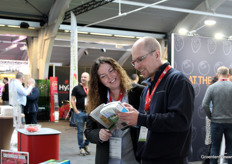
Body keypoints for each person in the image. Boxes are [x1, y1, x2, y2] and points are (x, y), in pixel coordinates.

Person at [118, 37, 195, 164]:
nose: (137, 66)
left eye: (140, 59)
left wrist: (140, 118)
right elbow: (149, 120)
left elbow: (180, 121)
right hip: (147, 157)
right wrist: (135, 115)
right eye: (134, 62)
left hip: (170, 160)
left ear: (157, 54)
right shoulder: (147, 88)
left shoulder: (177, 80)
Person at [84, 56, 144, 164]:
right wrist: (99, 134)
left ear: (118, 70)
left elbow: (150, 120)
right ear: (99, 81)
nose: (110, 77)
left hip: (134, 158)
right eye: (103, 76)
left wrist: (137, 119)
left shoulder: (139, 92)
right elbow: (88, 131)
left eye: (111, 71)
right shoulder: (97, 100)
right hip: (107, 160)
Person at [202, 66, 232, 164]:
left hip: (216, 122)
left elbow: (204, 104)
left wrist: (211, 116)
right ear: (228, 75)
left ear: (218, 75)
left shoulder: (212, 87)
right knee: (230, 148)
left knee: (215, 148)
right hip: (230, 122)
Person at [71, 72, 90, 156]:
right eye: (82, 77)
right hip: (80, 112)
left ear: (88, 79)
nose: (83, 78)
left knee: (90, 130)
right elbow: (72, 99)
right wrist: (75, 110)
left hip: (89, 112)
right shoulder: (76, 88)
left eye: (85, 77)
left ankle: (86, 144)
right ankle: (81, 148)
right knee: (80, 131)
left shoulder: (91, 88)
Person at [202, 75, 218, 164]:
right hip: (213, 118)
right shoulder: (214, 89)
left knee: (212, 145)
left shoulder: (212, 88)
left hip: (212, 118)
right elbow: (206, 105)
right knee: (213, 145)